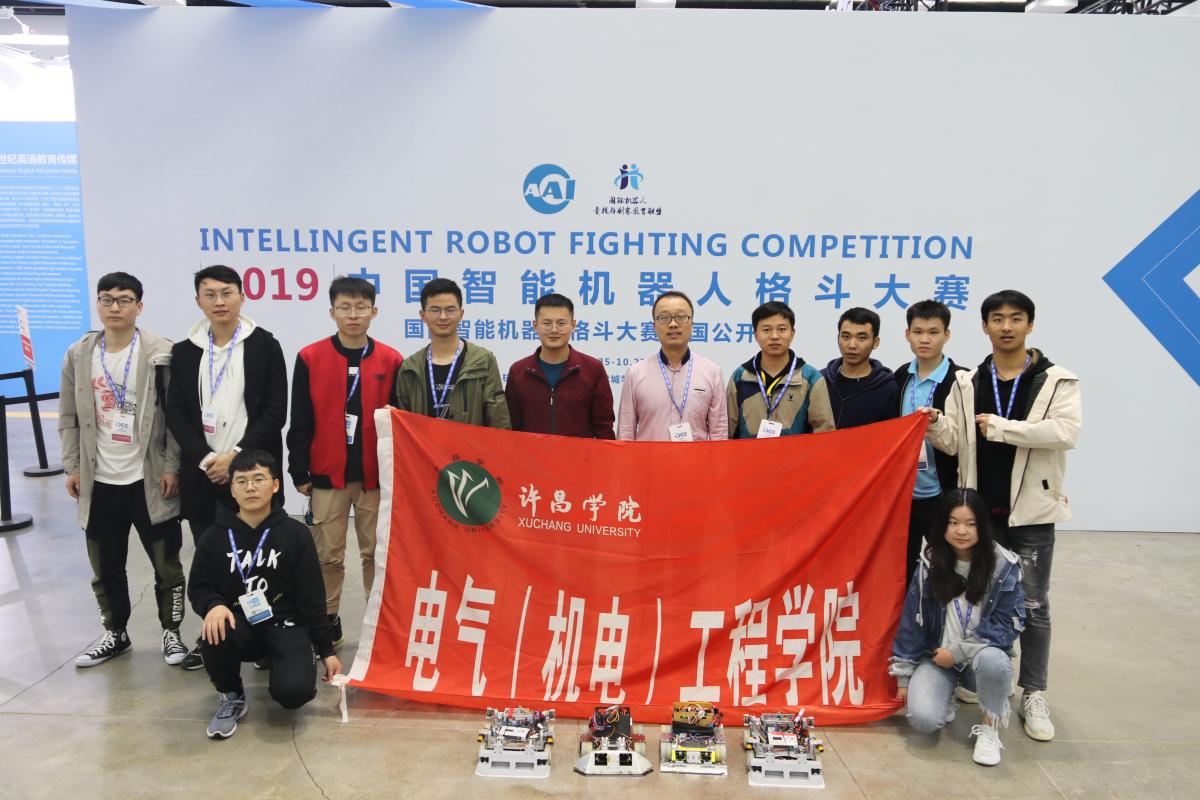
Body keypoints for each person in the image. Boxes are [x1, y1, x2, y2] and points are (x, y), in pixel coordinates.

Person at [922, 289, 1081, 742]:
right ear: (984, 326)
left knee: (1032, 605)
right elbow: (954, 441)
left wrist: (1003, 428)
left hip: (1030, 512)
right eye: (997, 318)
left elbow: (1065, 432)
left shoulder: (1056, 380)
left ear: (1030, 324)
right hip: (978, 515)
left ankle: (1033, 692)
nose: (1006, 326)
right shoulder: (968, 381)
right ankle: (984, 675)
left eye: (1015, 318)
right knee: (977, 597)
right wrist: (935, 423)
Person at [59, 272, 189, 667]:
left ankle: (172, 633)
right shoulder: (79, 354)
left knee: (166, 564)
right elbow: (68, 416)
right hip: (99, 481)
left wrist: (172, 466)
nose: (115, 307)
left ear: (139, 306)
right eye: (107, 299)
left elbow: (176, 417)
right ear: (98, 304)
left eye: (124, 300)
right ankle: (115, 632)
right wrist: (72, 466)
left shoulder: (161, 352)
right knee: (105, 565)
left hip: (149, 479)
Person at [167, 264, 288, 668]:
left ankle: (266, 636)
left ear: (242, 296)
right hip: (204, 474)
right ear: (198, 300)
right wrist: (207, 459)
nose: (219, 301)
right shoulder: (185, 351)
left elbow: (275, 411)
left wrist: (236, 457)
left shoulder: (264, 345)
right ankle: (216, 636)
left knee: (264, 556)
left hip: (253, 470)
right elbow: (177, 412)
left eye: (227, 293)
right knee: (212, 555)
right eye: (210, 294)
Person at [188, 450, 341, 739]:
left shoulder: (296, 534)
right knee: (213, 629)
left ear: (275, 485)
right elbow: (199, 586)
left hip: (287, 626)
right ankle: (231, 696)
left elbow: (312, 597)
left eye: (258, 479)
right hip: (241, 626)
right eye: (241, 481)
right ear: (232, 489)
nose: (250, 488)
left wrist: (326, 650)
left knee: (294, 694)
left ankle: (285, 661)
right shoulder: (214, 537)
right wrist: (213, 605)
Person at [287, 276, 403, 647]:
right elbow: (300, 417)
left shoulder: (391, 360)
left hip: (375, 478)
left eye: (360, 307)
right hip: (326, 475)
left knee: (376, 555)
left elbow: (399, 422)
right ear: (332, 312)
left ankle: (379, 623)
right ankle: (327, 621)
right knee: (327, 556)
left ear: (374, 311)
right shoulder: (310, 357)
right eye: (345, 307)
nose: (353, 315)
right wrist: (299, 469)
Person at [889, 488, 1025, 766]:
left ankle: (989, 728)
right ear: (943, 525)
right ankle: (947, 693)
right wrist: (903, 676)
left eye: (970, 523)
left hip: (979, 659)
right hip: (939, 658)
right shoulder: (930, 563)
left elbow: (1006, 626)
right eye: (953, 522)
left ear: (982, 526)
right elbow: (912, 621)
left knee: (994, 661)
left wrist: (958, 654)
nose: (961, 531)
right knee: (922, 720)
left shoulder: (1004, 565)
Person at [893, 299, 966, 585]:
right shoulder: (900, 376)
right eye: (918, 332)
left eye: (933, 332)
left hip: (942, 492)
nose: (925, 339)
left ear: (946, 335)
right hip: (904, 495)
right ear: (907, 334)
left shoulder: (962, 380)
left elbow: (963, 440)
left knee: (948, 569)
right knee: (903, 571)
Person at [393, 277, 510, 428]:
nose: (443, 317)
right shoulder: (410, 368)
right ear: (422, 315)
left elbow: (498, 421)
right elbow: (402, 427)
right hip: (424, 444)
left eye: (450, 310)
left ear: (461, 313)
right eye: (435, 310)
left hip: (470, 444)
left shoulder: (484, 361)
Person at [617, 291, 727, 442]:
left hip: (695, 458)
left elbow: (719, 433)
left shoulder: (712, 372)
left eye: (681, 317)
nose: (673, 324)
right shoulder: (635, 373)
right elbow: (625, 433)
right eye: (664, 318)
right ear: (654, 326)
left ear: (692, 324)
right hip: (649, 457)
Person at [505, 293, 615, 438]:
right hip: (530, 453)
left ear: (573, 325)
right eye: (546, 323)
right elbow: (511, 427)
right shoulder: (518, 372)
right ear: (535, 326)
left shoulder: (593, 369)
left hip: (579, 453)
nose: (554, 329)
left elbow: (604, 426)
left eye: (561, 323)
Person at [727, 301, 834, 438]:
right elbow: (727, 430)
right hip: (748, 452)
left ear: (792, 333)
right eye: (766, 330)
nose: (774, 336)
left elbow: (824, 432)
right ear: (755, 334)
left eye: (782, 329)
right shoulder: (741, 377)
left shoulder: (811, 378)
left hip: (796, 453)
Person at [820, 307, 898, 429]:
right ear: (838, 338)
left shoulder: (888, 388)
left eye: (861, 338)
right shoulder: (820, 381)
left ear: (875, 342)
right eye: (846, 337)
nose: (852, 345)